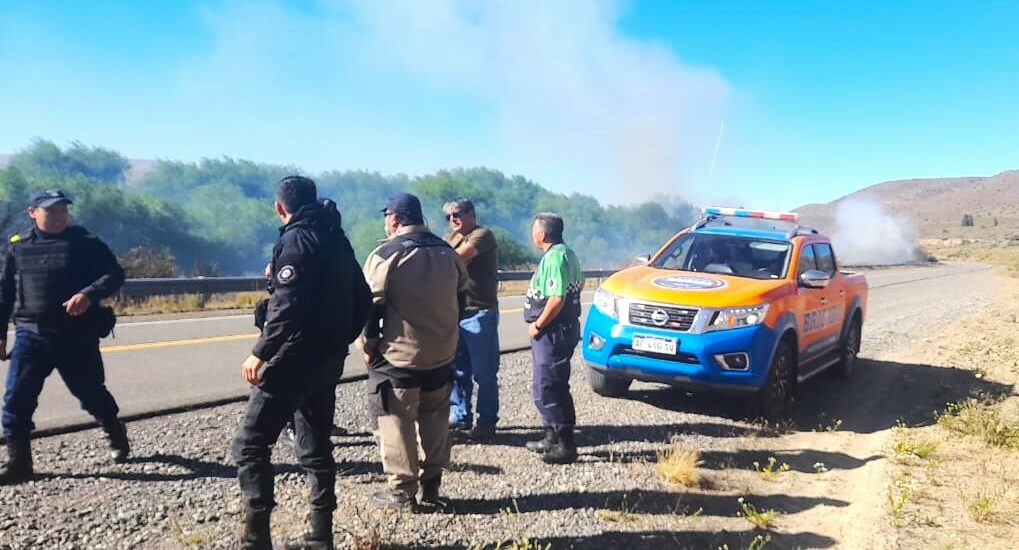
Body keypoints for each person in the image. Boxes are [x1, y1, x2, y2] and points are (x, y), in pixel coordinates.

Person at [232, 176, 370, 550]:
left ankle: (255, 538)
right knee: (315, 444)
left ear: (280, 207)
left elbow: (287, 306)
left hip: (294, 358)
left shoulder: (296, 239)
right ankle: (320, 533)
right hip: (327, 359)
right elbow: (363, 297)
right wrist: (340, 338)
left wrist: (261, 351)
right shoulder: (336, 239)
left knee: (249, 445)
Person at [0, 190, 129, 484]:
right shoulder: (17, 248)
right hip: (30, 335)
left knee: (91, 394)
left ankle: (113, 429)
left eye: (63, 211)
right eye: (51, 211)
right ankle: (19, 464)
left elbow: (114, 274)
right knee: (16, 400)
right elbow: (4, 292)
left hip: (75, 335)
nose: (59, 217)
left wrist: (88, 294)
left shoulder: (83, 243)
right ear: (33, 213)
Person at [362, 193, 467, 508]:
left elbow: (371, 305)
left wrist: (369, 345)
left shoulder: (386, 254)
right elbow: (462, 299)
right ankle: (432, 483)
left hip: (399, 356)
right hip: (442, 352)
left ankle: (402, 490)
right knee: (435, 417)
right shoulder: (448, 252)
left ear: (394, 219)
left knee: (395, 420)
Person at [523, 212, 583, 465]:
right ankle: (550, 434)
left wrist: (538, 325)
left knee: (551, 385)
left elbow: (556, 298)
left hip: (554, 330)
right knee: (543, 384)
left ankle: (566, 444)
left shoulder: (556, 257)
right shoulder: (564, 252)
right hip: (559, 329)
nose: (532, 234)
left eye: (534, 229)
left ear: (542, 234)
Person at [442, 198, 501, 440]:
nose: (452, 219)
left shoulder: (482, 235)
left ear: (471, 214)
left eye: (457, 214)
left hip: (479, 312)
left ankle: (486, 421)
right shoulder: (449, 238)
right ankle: (460, 415)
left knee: (484, 373)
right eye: (448, 216)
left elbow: (455, 259)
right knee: (457, 371)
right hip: (456, 312)